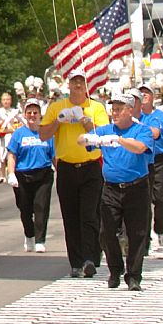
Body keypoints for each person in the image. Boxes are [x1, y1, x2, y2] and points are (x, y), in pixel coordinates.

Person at [84, 91, 154, 291]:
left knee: (137, 233)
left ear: (130, 110)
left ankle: (133, 276)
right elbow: (84, 140)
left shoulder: (142, 130)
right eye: (112, 109)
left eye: (119, 109)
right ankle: (115, 270)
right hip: (111, 188)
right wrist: (91, 138)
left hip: (136, 187)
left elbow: (140, 148)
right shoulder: (105, 130)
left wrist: (119, 140)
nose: (114, 112)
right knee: (106, 232)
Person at [41, 75, 109, 280]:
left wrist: (85, 121)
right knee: (71, 216)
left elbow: (102, 134)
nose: (78, 86)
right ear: (68, 86)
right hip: (67, 167)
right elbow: (43, 134)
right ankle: (76, 262)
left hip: (90, 166)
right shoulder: (57, 107)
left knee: (89, 214)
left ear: (86, 86)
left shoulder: (96, 107)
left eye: (81, 83)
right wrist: (58, 121)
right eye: (74, 83)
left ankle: (89, 258)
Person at [5, 98, 55, 252]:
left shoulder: (46, 133)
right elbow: (12, 155)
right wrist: (11, 173)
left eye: (35, 112)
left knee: (41, 207)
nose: (32, 115)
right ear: (25, 115)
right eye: (29, 112)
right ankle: (29, 235)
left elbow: (54, 155)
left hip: (43, 174)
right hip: (23, 175)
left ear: (40, 114)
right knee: (25, 209)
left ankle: (40, 240)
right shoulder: (19, 134)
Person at [135, 84, 163, 251]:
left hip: (157, 160)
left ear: (152, 96)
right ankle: (144, 240)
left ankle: (160, 229)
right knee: (143, 201)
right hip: (141, 159)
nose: (144, 95)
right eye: (141, 92)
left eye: (147, 92)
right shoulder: (135, 116)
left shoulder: (162, 117)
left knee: (159, 198)